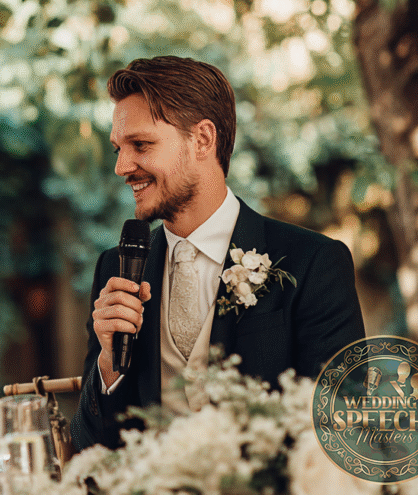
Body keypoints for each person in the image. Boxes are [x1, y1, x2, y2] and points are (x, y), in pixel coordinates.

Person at [70, 56, 365, 451]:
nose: (123, 166)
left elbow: (339, 424)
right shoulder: (116, 269)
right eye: (118, 149)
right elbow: (92, 445)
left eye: (140, 144)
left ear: (203, 139)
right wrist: (108, 364)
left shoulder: (312, 263)